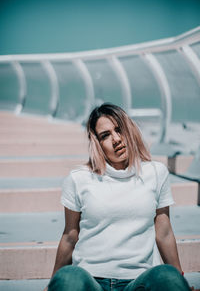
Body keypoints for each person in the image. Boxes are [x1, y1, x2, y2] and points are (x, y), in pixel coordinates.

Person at [44, 103, 191, 291]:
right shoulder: (79, 178)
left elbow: (164, 233)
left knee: (167, 276)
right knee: (67, 277)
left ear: (129, 130)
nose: (116, 139)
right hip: (91, 280)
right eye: (105, 135)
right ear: (97, 143)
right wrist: (53, 284)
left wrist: (179, 279)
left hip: (138, 281)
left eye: (119, 130)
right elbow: (70, 237)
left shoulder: (156, 172)